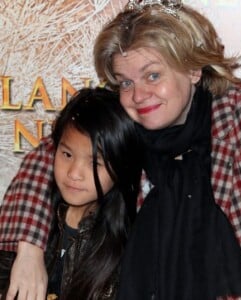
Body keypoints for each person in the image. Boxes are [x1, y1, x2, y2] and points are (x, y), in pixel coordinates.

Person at [1, 0, 241, 299]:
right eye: (126, 82)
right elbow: (45, 162)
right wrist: (29, 250)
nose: (139, 96)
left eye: (153, 75)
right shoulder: (123, 120)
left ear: (193, 68)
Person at [0, 87, 142, 300]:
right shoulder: (28, 218)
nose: (74, 173)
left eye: (94, 162)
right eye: (67, 154)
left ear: (120, 166)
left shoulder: (129, 242)